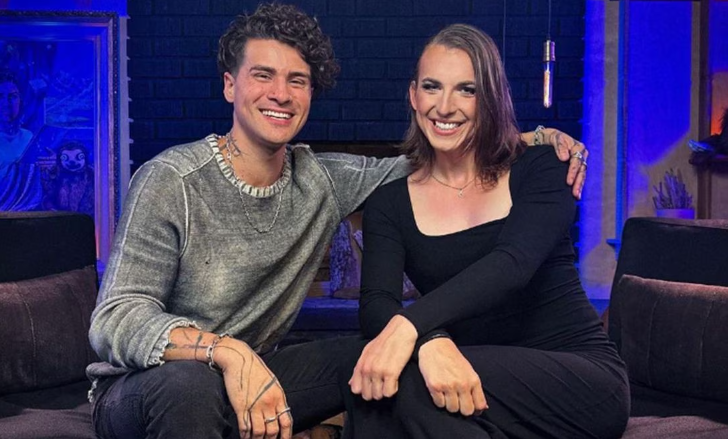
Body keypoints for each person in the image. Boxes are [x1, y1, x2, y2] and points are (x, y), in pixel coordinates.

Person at [87, 4, 590, 439]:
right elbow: (115, 318)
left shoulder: (323, 180)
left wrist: (535, 138)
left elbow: (441, 158)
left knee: (376, 360)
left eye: (297, 80)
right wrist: (226, 352)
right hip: (147, 385)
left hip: (260, 369)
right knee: (190, 386)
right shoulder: (171, 180)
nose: (280, 93)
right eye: (263, 75)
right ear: (229, 85)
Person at [345, 24, 629, 439]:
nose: (445, 107)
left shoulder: (543, 168)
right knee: (374, 391)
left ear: (491, 99)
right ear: (413, 96)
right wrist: (430, 341)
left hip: (579, 379)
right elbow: (376, 304)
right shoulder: (390, 203)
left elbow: (512, 265)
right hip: (470, 374)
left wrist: (409, 328)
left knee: (407, 386)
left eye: (467, 90)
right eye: (432, 87)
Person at [0, 70, 41, 210]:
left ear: (21, 100)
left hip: (28, 214)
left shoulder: (29, 137)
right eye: (0, 96)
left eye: (13, 96)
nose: (6, 103)